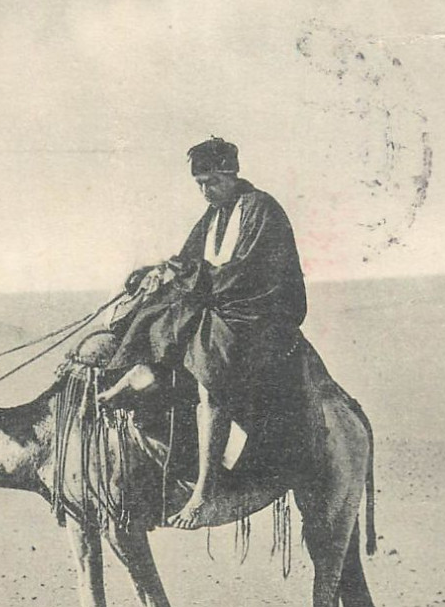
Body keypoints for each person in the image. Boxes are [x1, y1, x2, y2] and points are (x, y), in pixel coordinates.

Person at [99, 136, 307, 529]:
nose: (204, 191)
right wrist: (162, 270)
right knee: (155, 309)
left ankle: (204, 492)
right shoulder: (214, 214)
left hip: (260, 311)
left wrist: (192, 277)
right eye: (199, 184)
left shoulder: (262, 209)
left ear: (230, 174)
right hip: (222, 301)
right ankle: (143, 370)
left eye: (210, 181)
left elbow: (249, 273)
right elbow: (190, 259)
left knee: (212, 360)